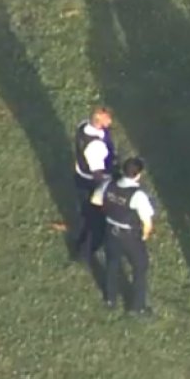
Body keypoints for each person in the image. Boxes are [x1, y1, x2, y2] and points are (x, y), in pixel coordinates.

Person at [98, 157, 155, 317]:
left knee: (112, 263)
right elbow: (147, 222)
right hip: (129, 236)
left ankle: (110, 298)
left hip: (110, 230)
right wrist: (144, 236)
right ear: (138, 175)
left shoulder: (108, 185)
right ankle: (137, 307)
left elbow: (95, 200)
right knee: (139, 267)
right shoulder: (138, 195)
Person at [72, 106, 116, 264]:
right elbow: (98, 173)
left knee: (88, 216)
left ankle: (82, 243)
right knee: (96, 222)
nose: (110, 120)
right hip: (91, 182)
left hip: (80, 175)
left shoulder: (83, 126)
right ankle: (87, 251)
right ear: (98, 122)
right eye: (107, 119)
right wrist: (109, 185)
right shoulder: (95, 146)